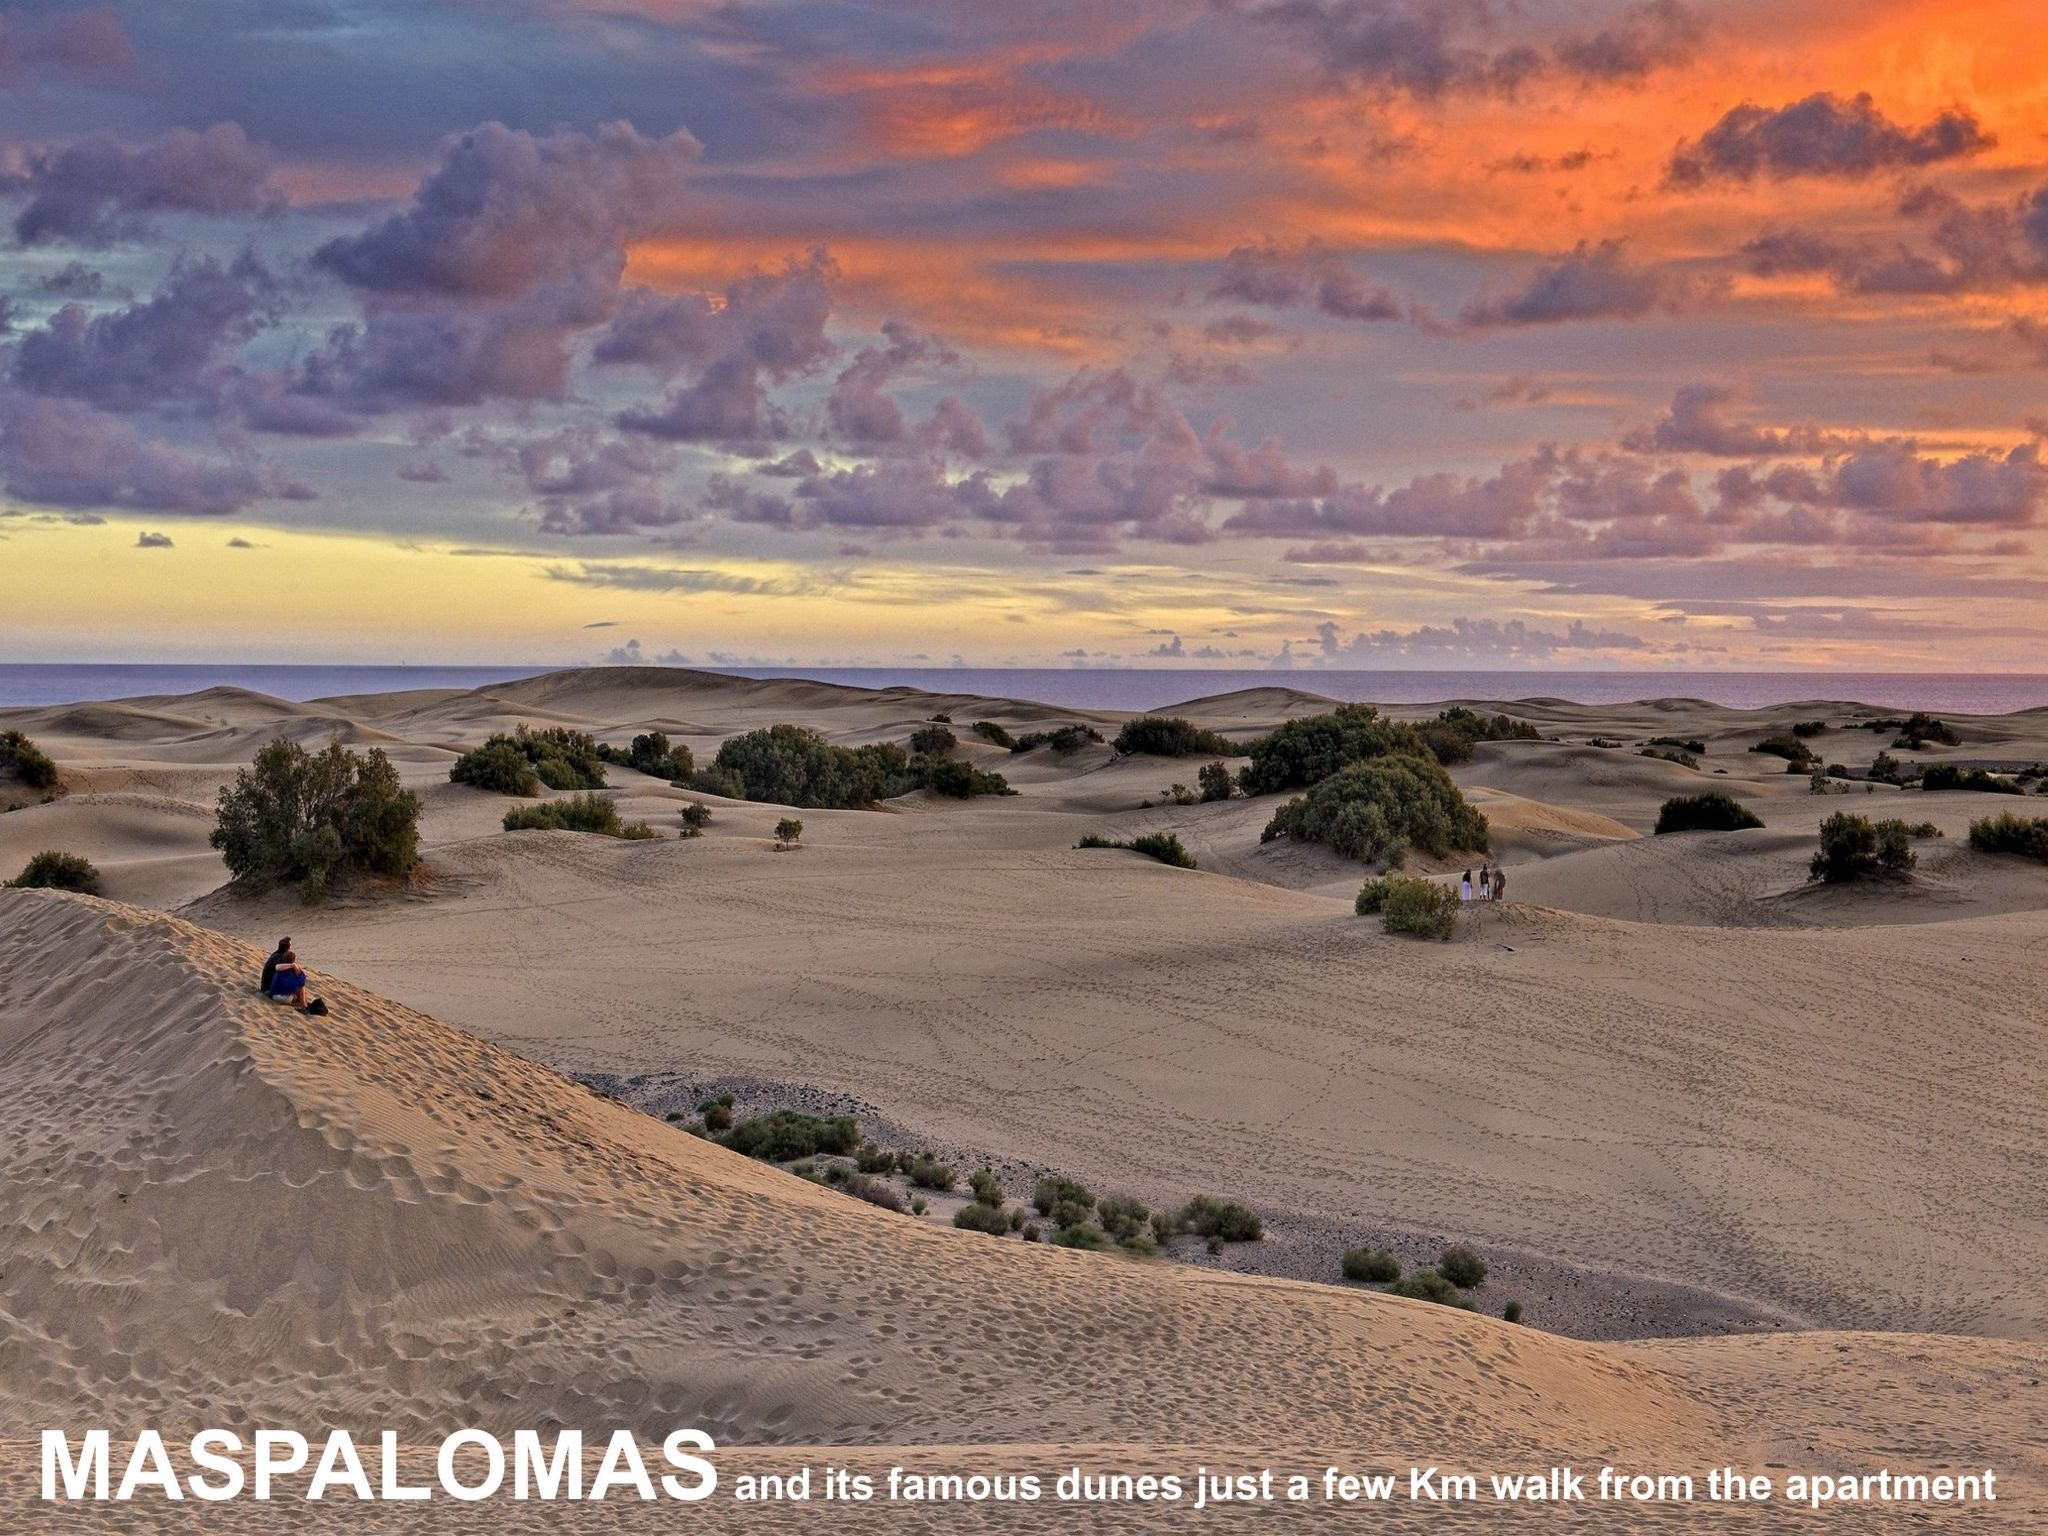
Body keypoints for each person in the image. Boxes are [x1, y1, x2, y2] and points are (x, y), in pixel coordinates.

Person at [266, 949, 328, 1015]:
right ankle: (304, 1007)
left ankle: (303, 1004)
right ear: (293, 960)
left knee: (299, 992)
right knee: (301, 988)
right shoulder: (292, 971)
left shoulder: (279, 969)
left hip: (273, 994)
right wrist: (296, 968)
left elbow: (279, 969)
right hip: (278, 997)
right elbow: (301, 981)